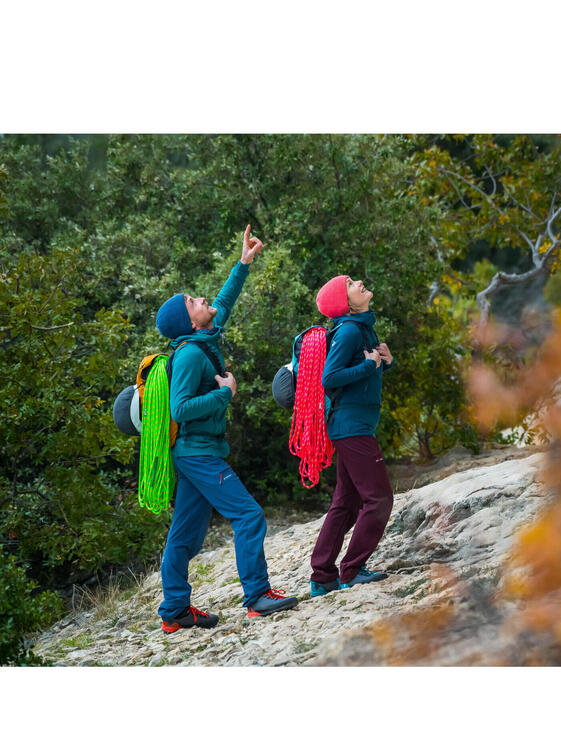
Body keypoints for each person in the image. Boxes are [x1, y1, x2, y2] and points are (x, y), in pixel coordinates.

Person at [154, 225, 298, 633]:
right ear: (188, 320)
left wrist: (243, 264)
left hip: (199, 453)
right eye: (192, 301)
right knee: (249, 515)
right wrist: (225, 393)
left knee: (184, 535)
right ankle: (257, 597)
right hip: (198, 454)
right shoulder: (189, 357)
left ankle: (175, 612)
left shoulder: (204, 337)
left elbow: (222, 303)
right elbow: (179, 408)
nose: (201, 298)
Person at [308, 274, 394, 597]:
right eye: (350, 284)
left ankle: (322, 576)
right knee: (380, 499)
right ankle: (352, 570)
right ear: (345, 303)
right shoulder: (348, 331)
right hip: (351, 428)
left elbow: (364, 372)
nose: (358, 282)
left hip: (354, 426)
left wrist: (385, 362)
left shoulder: (363, 328)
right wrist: (369, 366)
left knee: (346, 502)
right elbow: (330, 378)